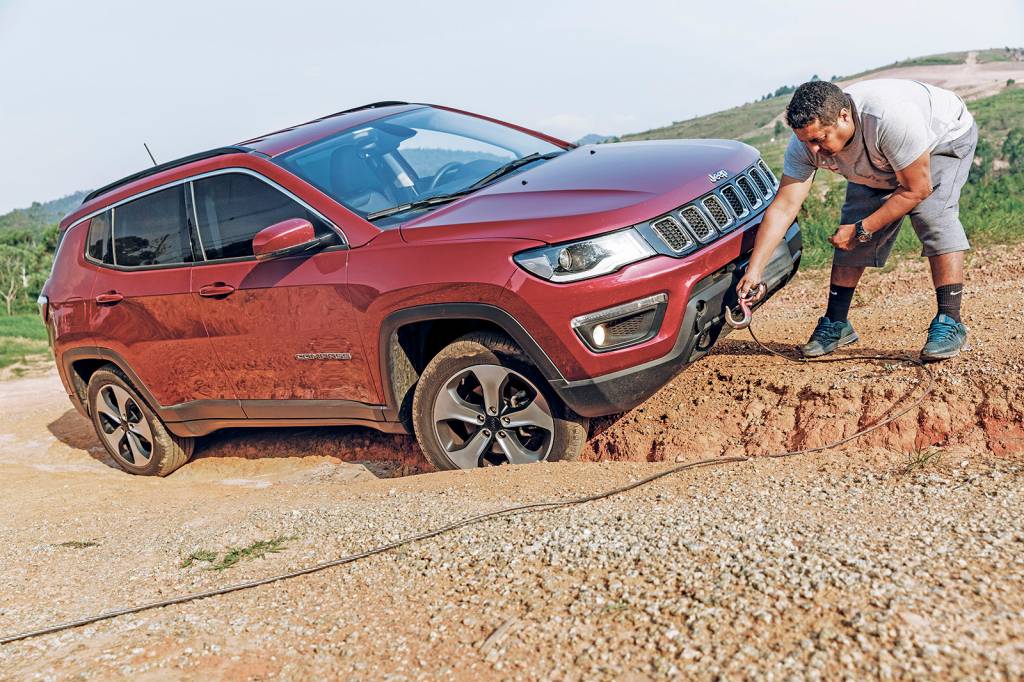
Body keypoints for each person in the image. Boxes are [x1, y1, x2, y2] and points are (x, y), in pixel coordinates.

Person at [737, 78, 978, 361]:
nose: (813, 150)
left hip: (942, 139)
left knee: (933, 214)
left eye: (819, 139)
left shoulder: (889, 118)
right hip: (879, 154)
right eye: (806, 141)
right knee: (853, 219)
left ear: (843, 116)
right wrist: (755, 270)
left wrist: (863, 229)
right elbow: (784, 207)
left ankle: (950, 321)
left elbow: (917, 189)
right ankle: (836, 323)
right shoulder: (806, 143)